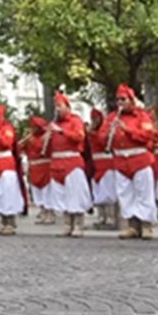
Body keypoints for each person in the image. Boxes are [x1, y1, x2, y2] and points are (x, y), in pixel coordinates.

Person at [107, 84, 156, 239]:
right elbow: (101, 139)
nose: (120, 103)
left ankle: (146, 225)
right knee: (126, 194)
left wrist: (126, 129)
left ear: (131, 100)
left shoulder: (142, 116)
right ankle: (132, 226)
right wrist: (108, 133)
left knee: (144, 193)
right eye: (118, 100)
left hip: (139, 159)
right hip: (121, 161)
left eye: (123, 99)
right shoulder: (112, 117)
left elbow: (147, 136)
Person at [47, 92, 92, 237]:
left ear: (67, 107)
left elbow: (79, 137)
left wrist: (61, 131)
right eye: (55, 106)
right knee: (62, 195)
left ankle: (78, 224)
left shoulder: (75, 120)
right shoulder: (54, 124)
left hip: (72, 163)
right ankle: (67, 224)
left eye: (59, 106)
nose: (57, 109)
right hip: (56, 163)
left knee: (75, 194)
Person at [0, 102, 24, 236]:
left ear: (1, 114)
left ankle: (10, 222)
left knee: (7, 194)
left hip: (5, 165)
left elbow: (7, 143)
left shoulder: (7, 127)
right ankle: (3, 221)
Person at [87, 109, 118, 229]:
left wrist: (93, 133)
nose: (94, 121)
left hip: (107, 164)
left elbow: (102, 141)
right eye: (92, 119)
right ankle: (101, 217)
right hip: (96, 164)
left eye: (96, 118)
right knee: (98, 192)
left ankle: (111, 217)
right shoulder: (90, 131)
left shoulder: (106, 130)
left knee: (108, 192)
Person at [22, 116, 53, 225]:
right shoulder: (30, 138)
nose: (33, 129)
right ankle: (42, 212)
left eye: (35, 127)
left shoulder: (47, 137)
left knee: (47, 191)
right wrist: (24, 141)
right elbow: (20, 148)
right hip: (34, 168)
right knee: (37, 192)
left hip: (45, 168)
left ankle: (49, 214)